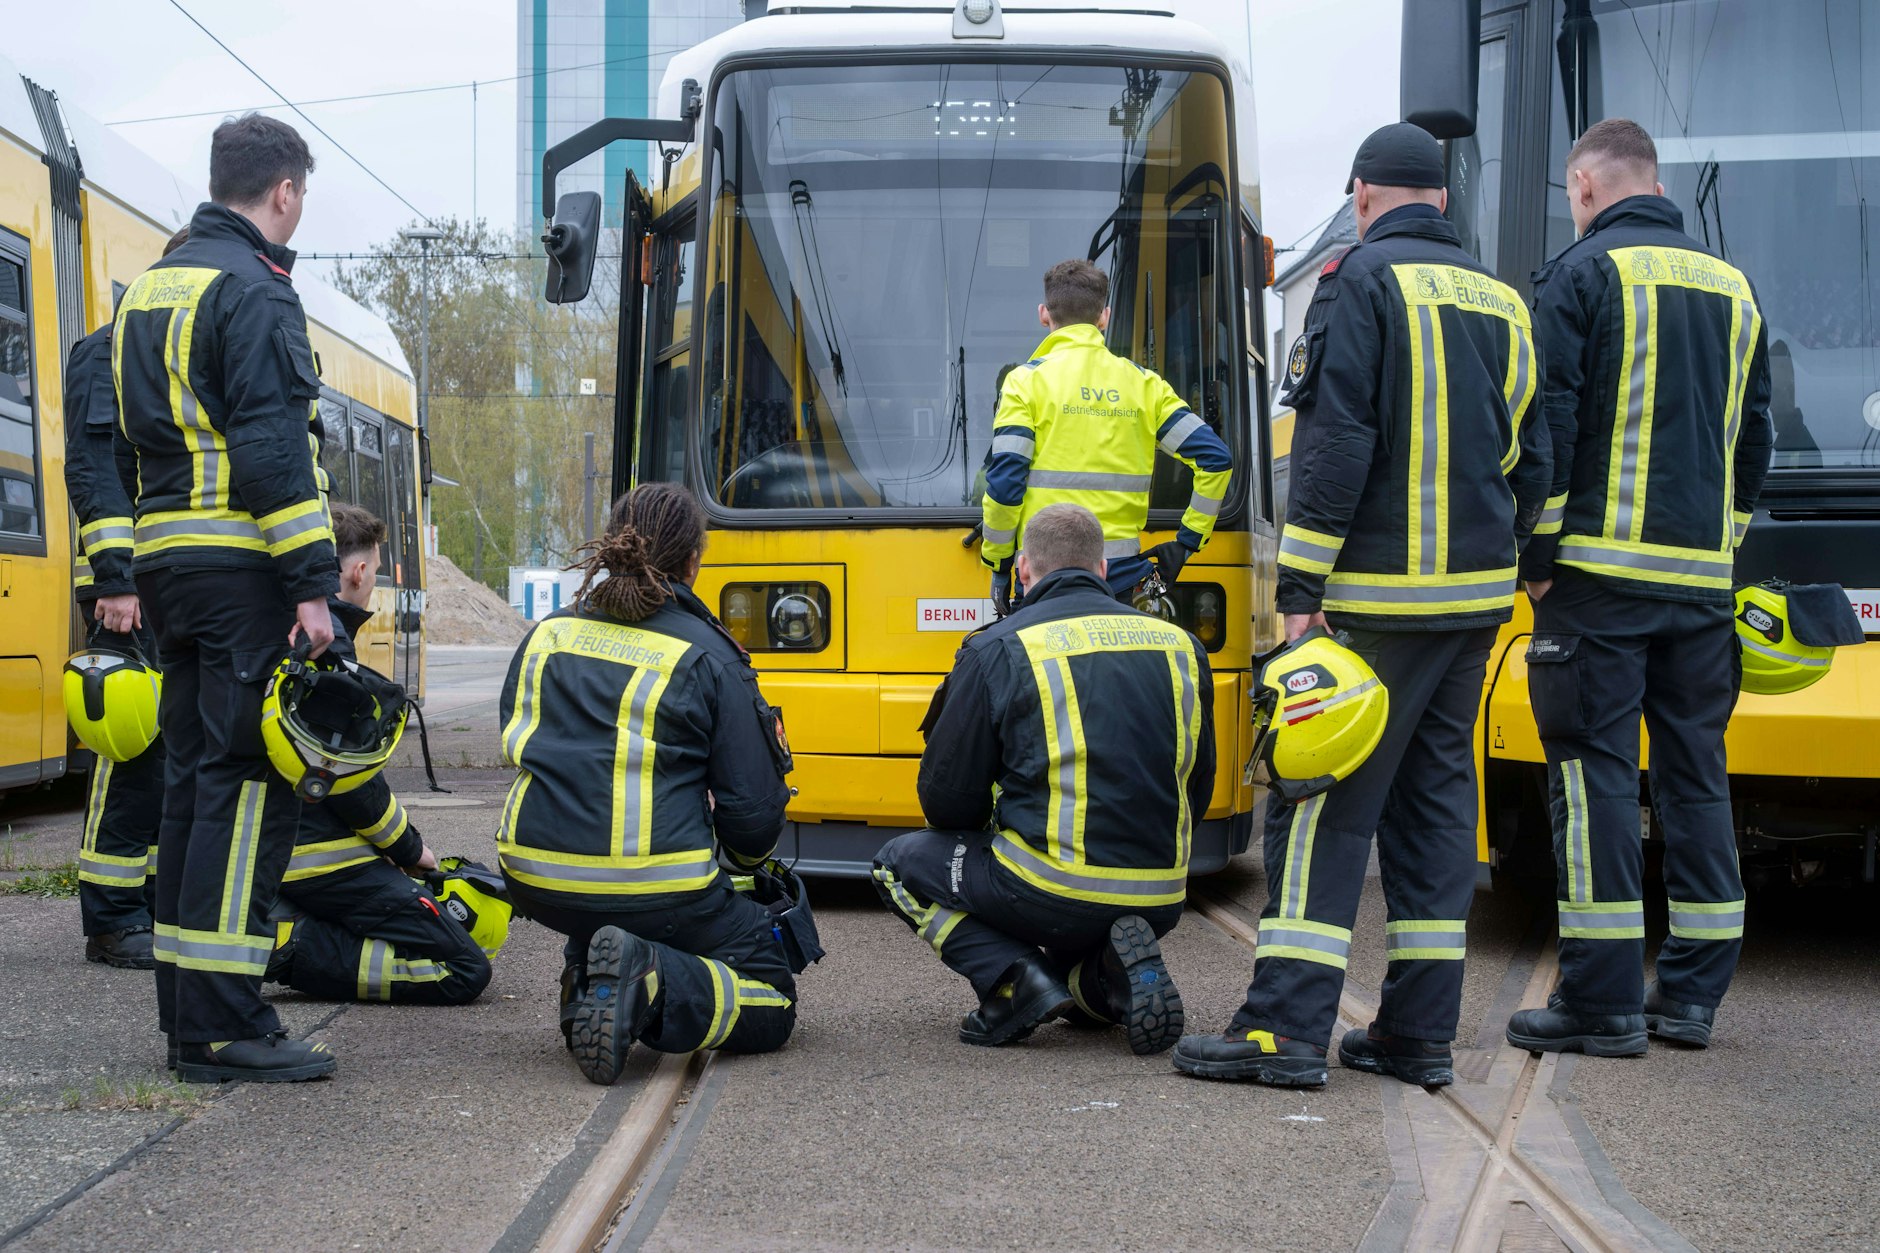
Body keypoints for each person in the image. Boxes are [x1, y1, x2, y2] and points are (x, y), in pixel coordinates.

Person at [1172, 123, 1551, 1088]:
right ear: (1443, 200)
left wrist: (1300, 591)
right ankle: (1417, 1033)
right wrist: (1512, 558)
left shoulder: (1359, 281)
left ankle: (1284, 1030)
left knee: (1319, 803)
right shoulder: (1503, 301)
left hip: (1376, 607)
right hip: (1473, 610)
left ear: (1363, 196)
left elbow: (1336, 446)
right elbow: (1533, 458)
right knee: (1434, 819)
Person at [1505, 119, 1772, 1055]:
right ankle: (1692, 996)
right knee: (1698, 777)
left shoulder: (1580, 276)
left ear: (1584, 186)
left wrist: (1538, 558)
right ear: (1655, 184)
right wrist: (1721, 547)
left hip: (1597, 582)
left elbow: (1551, 430)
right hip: (1701, 588)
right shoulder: (1735, 287)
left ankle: (1601, 1001)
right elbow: (1755, 441)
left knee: (1595, 778)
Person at [115, 114, 339, 1083]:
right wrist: (312, 588)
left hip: (166, 569)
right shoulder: (256, 288)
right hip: (241, 571)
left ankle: (187, 1014)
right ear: (284, 191)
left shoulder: (150, 288)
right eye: (302, 194)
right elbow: (269, 443)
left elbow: (123, 443)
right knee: (246, 790)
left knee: (191, 786)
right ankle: (224, 1025)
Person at [875, 503, 1213, 1054]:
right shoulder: (1182, 646)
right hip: (1162, 892)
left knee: (895, 864)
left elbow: (946, 803)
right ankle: (1105, 979)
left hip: (1050, 891)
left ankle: (1015, 980)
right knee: (1077, 989)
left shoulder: (999, 647)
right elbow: (1199, 785)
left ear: (1024, 570)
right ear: (1103, 569)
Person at [496, 482, 798, 1085]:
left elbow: (519, 738)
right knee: (771, 996)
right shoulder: (709, 654)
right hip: (659, 888)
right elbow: (753, 815)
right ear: (693, 561)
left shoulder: (548, 634)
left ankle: (591, 972)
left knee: (613, 909)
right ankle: (649, 981)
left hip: (534, 879)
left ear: (611, 546)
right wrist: (741, 866)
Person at [265, 503, 491, 1005]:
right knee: (465, 969)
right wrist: (410, 851)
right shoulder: (327, 646)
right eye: (376, 571)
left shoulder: (275, 625)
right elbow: (347, 779)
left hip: (270, 847)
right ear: (359, 571)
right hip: (319, 858)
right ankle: (284, 945)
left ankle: (284, 922)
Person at [63, 227, 189, 969]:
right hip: (130, 587)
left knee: (172, 750)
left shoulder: (176, 353)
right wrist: (115, 578)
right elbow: (91, 465)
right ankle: (110, 918)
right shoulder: (106, 350)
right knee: (132, 750)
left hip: (174, 580)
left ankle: (148, 899)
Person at [980, 259, 1233, 610]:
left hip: (1043, 576)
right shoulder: (1145, 385)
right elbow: (1216, 460)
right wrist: (1187, 542)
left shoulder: (1025, 383)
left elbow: (1006, 484)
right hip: (1120, 580)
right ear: (1104, 317)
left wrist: (998, 564)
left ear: (1044, 314)